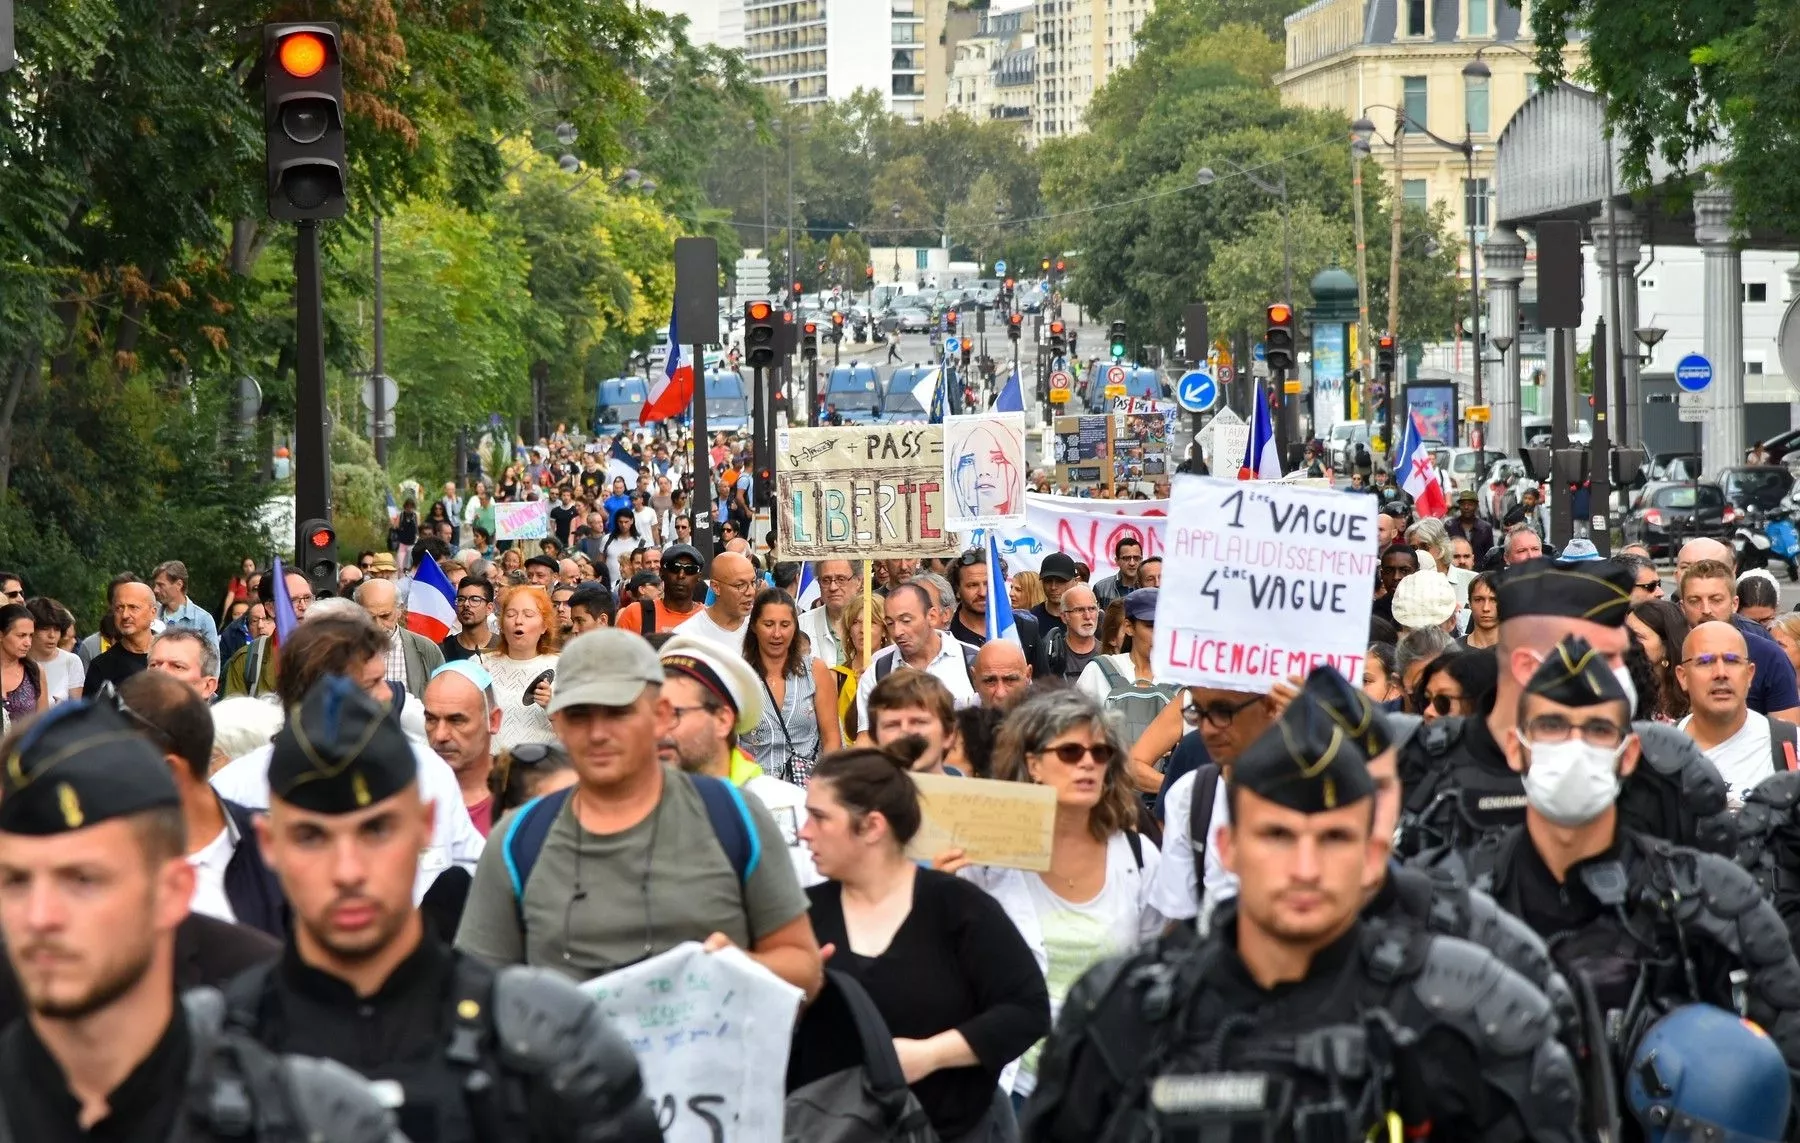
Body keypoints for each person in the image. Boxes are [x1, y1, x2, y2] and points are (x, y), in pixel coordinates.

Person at [1021, 682, 1582, 1143]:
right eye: (1278, 836)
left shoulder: (1467, 1013)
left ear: (1371, 854)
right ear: (1229, 846)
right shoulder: (1125, 1011)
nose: (1306, 867)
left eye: (1334, 839)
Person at [227, 674, 662, 1142]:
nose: (348, 871)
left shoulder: (548, 1041)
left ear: (425, 826)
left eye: (377, 831)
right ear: (269, 845)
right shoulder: (214, 1053)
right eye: (312, 837)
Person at [0, 700, 396, 1142]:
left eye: (83, 879)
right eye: (15, 881)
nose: (40, 917)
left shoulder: (307, 1114)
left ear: (173, 891)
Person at [1419, 634, 1800, 1079]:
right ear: (1515, 747)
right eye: (1552, 726)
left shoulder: (1715, 899)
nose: (1575, 747)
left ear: (1629, 753)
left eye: (1598, 730)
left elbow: (1782, 1066)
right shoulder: (1454, 897)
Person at [454, 629, 824, 997]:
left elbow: (803, 968)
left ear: (661, 715)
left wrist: (740, 967)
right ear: (559, 723)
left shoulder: (735, 816)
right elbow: (474, 995)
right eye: (579, 714)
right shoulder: (517, 841)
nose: (598, 733)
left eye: (618, 712)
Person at [1396, 558, 1733, 864]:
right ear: (1528, 665)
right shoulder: (1420, 763)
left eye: (1620, 655)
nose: (1622, 673)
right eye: (1602, 658)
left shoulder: (1663, 764)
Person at [800, 741, 1051, 1142]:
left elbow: (1027, 1009)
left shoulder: (957, 906)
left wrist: (930, 1055)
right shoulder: (805, 915)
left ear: (872, 826)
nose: (803, 832)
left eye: (819, 818)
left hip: (955, 1130)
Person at [950, 690, 1160, 1110]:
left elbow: (1156, 968)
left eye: (1100, 752)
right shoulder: (989, 857)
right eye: (1069, 751)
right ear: (1033, 765)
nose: (1087, 763)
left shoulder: (1137, 856)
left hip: (1110, 1087)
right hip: (1014, 1086)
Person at [208, 606, 487, 901]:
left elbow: (476, 871)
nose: (387, 695)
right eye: (371, 684)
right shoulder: (235, 789)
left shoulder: (427, 771)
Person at [657, 636, 815, 885]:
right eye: (653, 714)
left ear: (722, 721)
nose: (658, 730)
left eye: (675, 714)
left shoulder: (782, 806)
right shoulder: (638, 810)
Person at [1676, 620, 1794, 804]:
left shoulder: (1791, 745)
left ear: (1750, 674)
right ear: (1683, 676)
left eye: (1732, 660)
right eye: (1705, 661)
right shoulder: (1658, 755)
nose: (1721, 673)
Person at [1075, 589, 1178, 793]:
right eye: (1151, 626)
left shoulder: (1183, 682)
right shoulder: (1099, 671)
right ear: (1129, 627)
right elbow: (1073, 736)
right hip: (1106, 798)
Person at [1675, 554, 1800, 721]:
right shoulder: (1671, 650)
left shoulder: (1770, 656)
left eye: (1715, 600)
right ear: (1683, 607)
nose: (1706, 609)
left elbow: (1786, 735)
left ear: (1734, 604)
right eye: (1695, 600)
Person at [738, 589, 840, 784]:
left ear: (795, 627)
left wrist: (827, 785)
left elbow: (832, 739)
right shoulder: (738, 675)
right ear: (754, 626)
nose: (777, 633)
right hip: (754, 791)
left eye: (785, 625)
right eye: (768, 624)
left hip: (806, 789)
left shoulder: (815, 670)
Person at [856, 582, 978, 728]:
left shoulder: (972, 659)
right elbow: (866, 737)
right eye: (890, 623)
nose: (897, 632)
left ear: (932, 616)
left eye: (906, 621)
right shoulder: (877, 672)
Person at [424, 661, 504, 836]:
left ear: (494, 720)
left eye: (456, 720)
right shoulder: (406, 796)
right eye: (431, 719)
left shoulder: (522, 797)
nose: (440, 735)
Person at [487, 584, 560, 750]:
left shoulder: (562, 668)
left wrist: (552, 708)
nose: (518, 621)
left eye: (528, 615)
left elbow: (577, 738)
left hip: (540, 769)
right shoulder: (481, 665)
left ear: (544, 626)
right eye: (511, 614)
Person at [356, 577, 444, 699]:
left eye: (385, 616)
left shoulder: (426, 649)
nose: (377, 625)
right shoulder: (343, 651)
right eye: (369, 617)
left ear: (399, 610)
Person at [832, 591, 889, 741]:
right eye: (856, 622)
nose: (862, 630)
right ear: (849, 630)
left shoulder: (896, 674)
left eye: (871, 622)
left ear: (884, 630)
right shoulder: (835, 677)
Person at [672, 551, 758, 650]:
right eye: (740, 585)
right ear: (716, 587)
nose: (751, 592)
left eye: (752, 582)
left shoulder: (762, 628)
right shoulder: (686, 637)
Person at [84, 580, 157, 694]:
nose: (125, 615)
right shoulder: (102, 667)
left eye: (133, 607)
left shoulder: (171, 657)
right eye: (119, 608)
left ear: (153, 613)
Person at [1629, 599, 1690, 722]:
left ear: (1666, 646)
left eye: (1638, 637)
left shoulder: (1693, 696)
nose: (1627, 643)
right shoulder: (1622, 688)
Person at [1031, 584, 1100, 684]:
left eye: (1092, 609)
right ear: (1064, 616)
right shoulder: (1049, 658)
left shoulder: (1110, 654)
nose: (1087, 616)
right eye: (1079, 610)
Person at [799, 558, 857, 667]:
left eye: (841, 579)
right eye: (826, 580)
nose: (833, 587)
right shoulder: (801, 625)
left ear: (858, 581)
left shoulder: (872, 622)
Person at [150, 559, 219, 649]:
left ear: (179, 584)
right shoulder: (151, 615)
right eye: (155, 585)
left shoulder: (203, 620)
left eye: (161, 585)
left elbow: (214, 660)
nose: (155, 590)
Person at [24, 598, 82, 704]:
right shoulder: (17, 661)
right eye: (45, 628)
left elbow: (76, 711)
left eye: (56, 629)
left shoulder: (72, 661)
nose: (52, 635)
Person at [0, 605, 43, 726]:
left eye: (31, 636)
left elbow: (43, 724)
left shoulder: (34, 671)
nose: (28, 643)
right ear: (1, 635)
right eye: (21, 636)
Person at [442, 578, 502, 663]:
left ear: (489, 608)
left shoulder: (504, 648)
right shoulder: (443, 650)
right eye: (461, 599)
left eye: (475, 599)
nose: (466, 604)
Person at [971, 640, 1031, 710]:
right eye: (990, 681)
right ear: (974, 679)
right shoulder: (958, 715)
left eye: (1010, 680)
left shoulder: (1044, 717)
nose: (1000, 694)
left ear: (1028, 676)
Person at [1029, 553, 1078, 634]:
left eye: (1060, 581)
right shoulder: (1031, 620)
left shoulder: (1088, 617)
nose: (1053, 587)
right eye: (1048, 581)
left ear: (1075, 582)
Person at [1088, 537, 1142, 609]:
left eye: (1136, 558)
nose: (1132, 563)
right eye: (1126, 558)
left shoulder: (1149, 587)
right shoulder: (1101, 588)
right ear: (1117, 560)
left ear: (1141, 560)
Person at [1445, 487, 1495, 554]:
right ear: (1459, 506)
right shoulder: (1450, 526)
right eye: (1463, 504)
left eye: (1470, 504)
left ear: (1476, 506)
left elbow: (1490, 554)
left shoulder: (1486, 528)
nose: (1466, 507)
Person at [1460, 570, 1500, 649]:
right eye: (1478, 600)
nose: (1486, 608)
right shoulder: (1451, 651)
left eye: (1494, 600)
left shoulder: (1519, 650)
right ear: (1469, 603)